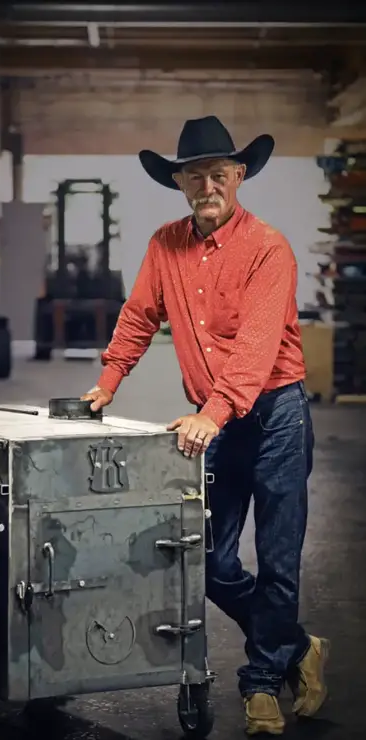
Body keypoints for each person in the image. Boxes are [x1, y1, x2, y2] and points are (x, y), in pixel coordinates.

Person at [81, 116, 329, 736]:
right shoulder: (164, 245)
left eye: (220, 173)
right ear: (180, 182)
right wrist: (108, 382)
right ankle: (299, 646)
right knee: (210, 563)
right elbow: (138, 317)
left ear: (239, 177)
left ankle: (262, 684)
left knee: (277, 561)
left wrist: (211, 414)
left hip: (275, 416)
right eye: (196, 174)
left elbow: (254, 349)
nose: (208, 184)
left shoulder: (268, 248)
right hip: (219, 423)